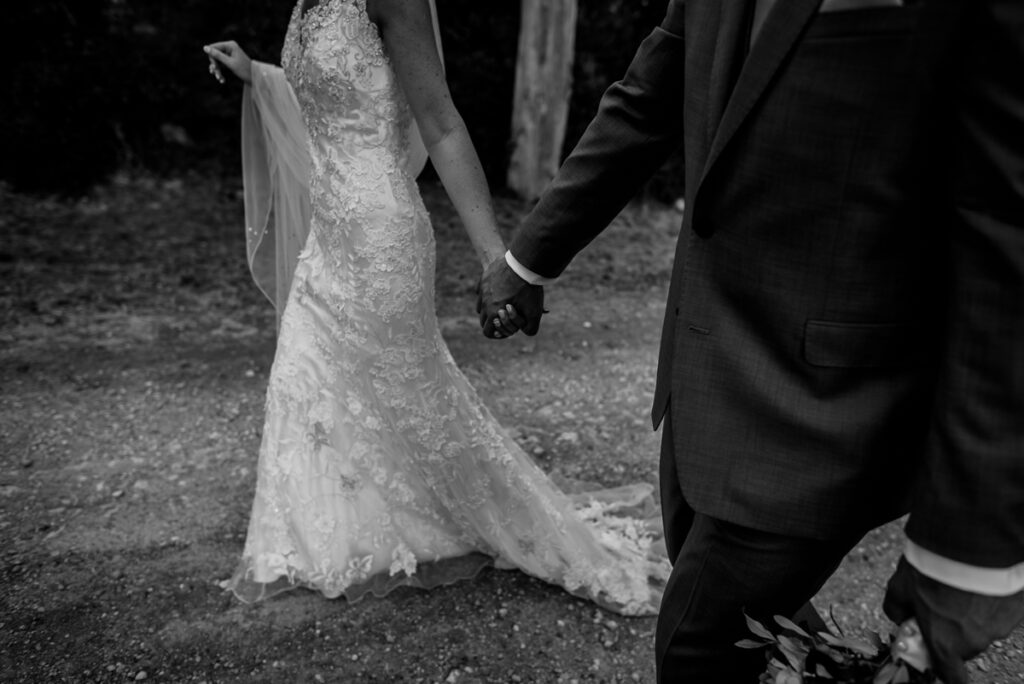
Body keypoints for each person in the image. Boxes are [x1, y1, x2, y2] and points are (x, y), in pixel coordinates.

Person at [477, 0, 1024, 681]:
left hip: (832, 402)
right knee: (765, 632)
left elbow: (1008, 230)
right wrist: (528, 259)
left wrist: (973, 541)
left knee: (695, 646)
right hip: (701, 372)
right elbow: (650, 96)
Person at [201, 0, 668, 617]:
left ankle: (460, 522)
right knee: (308, 380)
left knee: (411, 396)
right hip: (328, 236)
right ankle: (324, 537)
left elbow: (440, 124)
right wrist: (256, 73)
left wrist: (498, 261)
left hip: (378, 240)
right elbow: (342, 98)